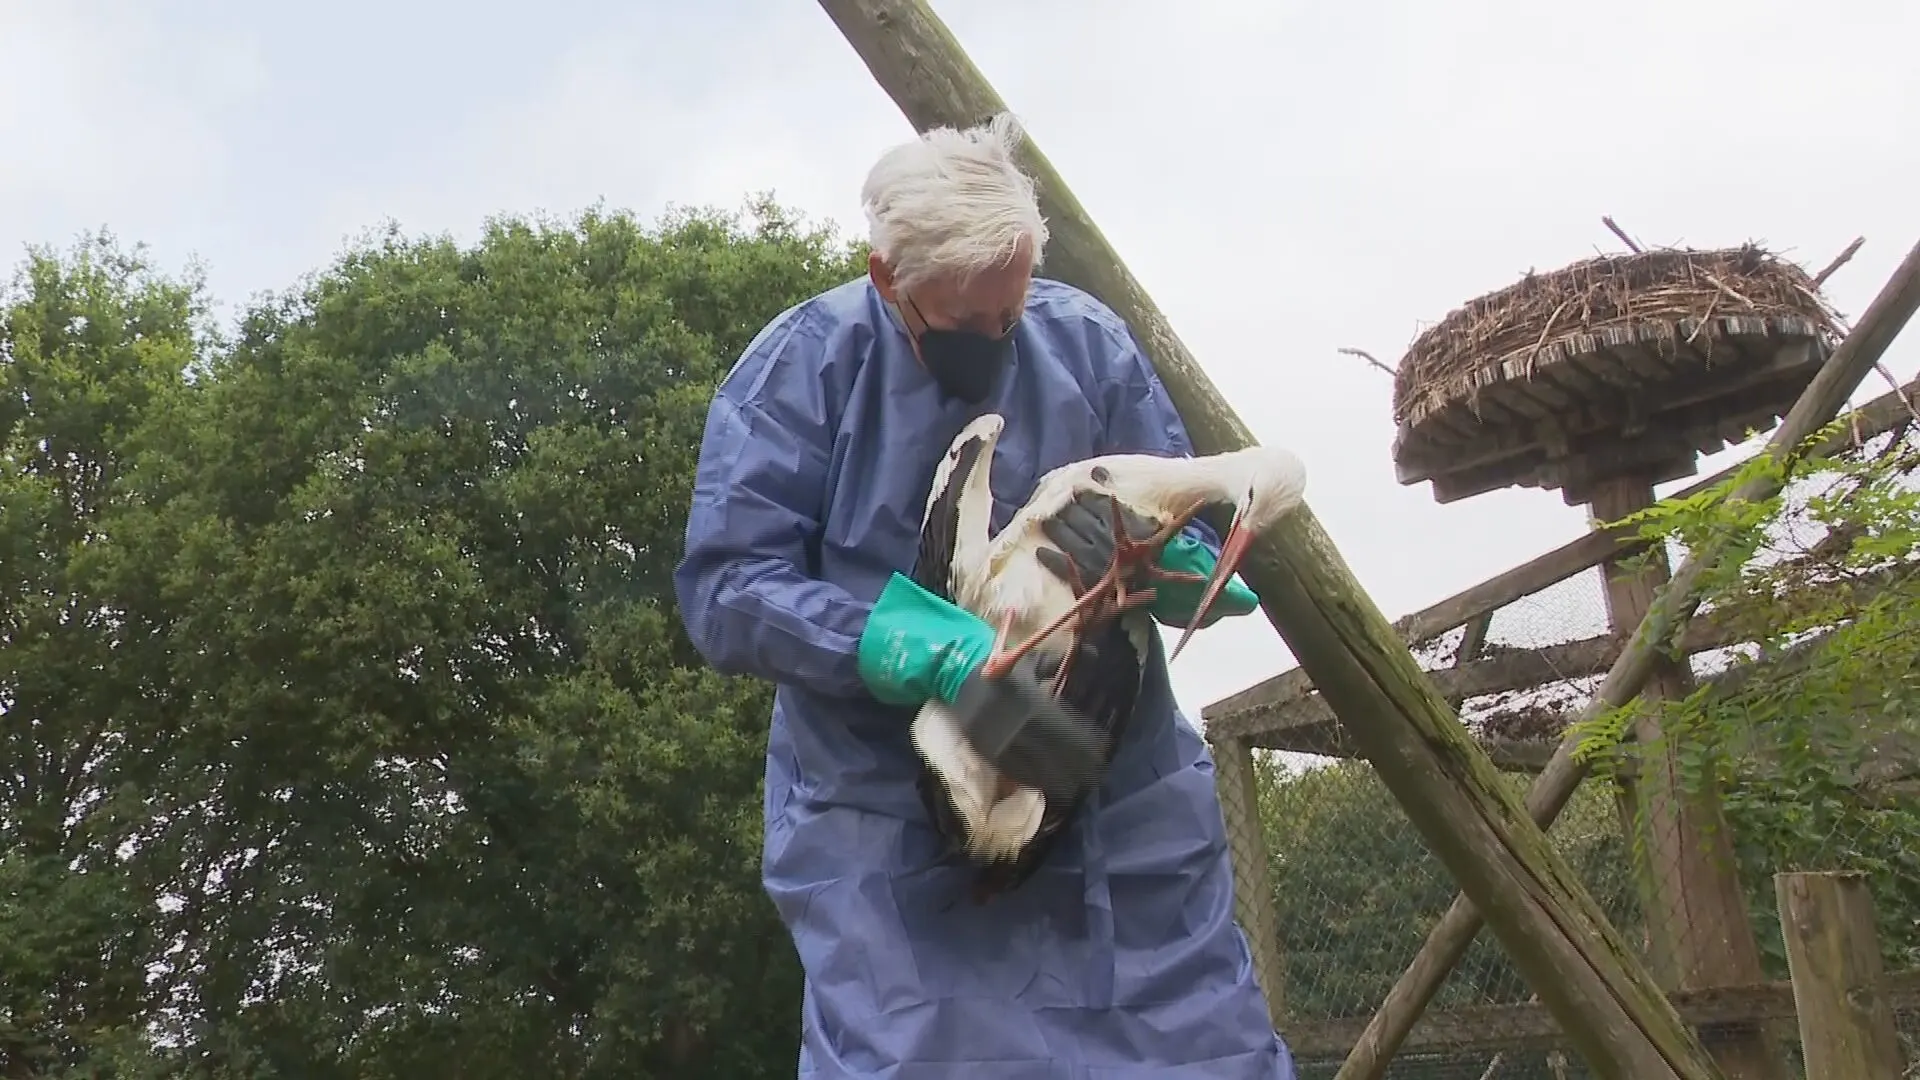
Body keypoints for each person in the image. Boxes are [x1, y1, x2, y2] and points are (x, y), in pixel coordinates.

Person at [673, 112, 1297, 1079]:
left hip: (1116, 793)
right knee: (922, 1053)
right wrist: (916, 649)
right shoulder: (801, 369)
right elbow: (727, 587)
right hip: (885, 820)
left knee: (1195, 1045)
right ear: (889, 279)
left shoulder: (1087, 345)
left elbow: (1194, 518)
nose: (999, 341)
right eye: (967, 324)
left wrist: (1171, 567)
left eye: (1013, 313)